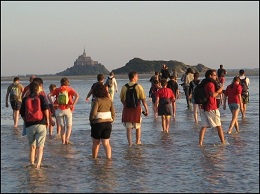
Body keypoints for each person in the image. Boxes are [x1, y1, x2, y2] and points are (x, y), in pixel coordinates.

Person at [20, 81, 49, 169]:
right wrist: (47, 121)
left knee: (32, 146)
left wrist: (26, 122)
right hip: (41, 124)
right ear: (38, 88)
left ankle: (32, 163)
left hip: (29, 125)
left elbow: (22, 113)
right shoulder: (41, 96)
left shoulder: (25, 99)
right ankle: (38, 165)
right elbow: (46, 109)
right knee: (40, 147)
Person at [120, 71, 149, 146]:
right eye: (137, 76)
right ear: (134, 77)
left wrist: (125, 105)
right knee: (138, 126)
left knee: (128, 127)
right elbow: (143, 100)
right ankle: (138, 141)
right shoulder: (139, 86)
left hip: (127, 109)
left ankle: (130, 143)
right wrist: (146, 110)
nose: (137, 78)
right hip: (137, 108)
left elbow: (122, 99)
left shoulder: (124, 87)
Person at [198, 69, 226, 146]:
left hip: (203, 107)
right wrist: (220, 89)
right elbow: (212, 94)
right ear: (210, 76)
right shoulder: (210, 84)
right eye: (214, 75)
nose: (216, 76)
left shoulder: (203, 83)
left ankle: (200, 143)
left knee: (204, 126)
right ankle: (223, 142)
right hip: (211, 106)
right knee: (218, 125)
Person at [48, 77, 79, 145]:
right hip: (68, 109)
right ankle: (67, 139)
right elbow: (77, 96)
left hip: (59, 110)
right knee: (69, 126)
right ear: (67, 83)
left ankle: (63, 141)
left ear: (61, 83)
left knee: (62, 127)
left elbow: (49, 95)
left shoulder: (57, 89)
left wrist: (53, 104)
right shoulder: (69, 89)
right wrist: (73, 104)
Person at [89, 84, 115, 159]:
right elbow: (113, 113)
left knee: (96, 143)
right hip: (108, 123)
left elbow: (93, 113)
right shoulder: (109, 100)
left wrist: (91, 121)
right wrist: (111, 120)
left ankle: (94, 159)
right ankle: (108, 159)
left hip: (98, 124)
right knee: (106, 143)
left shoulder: (97, 100)